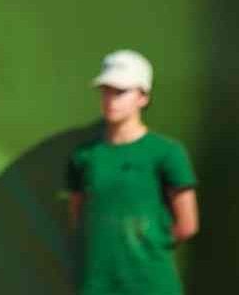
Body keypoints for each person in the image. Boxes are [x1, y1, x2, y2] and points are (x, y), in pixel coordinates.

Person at [65, 50, 198, 295]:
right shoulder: (84, 156)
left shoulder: (168, 152)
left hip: (152, 284)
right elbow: (79, 217)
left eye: (121, 92)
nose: (111, 99)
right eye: (106, 90)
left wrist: (146, 245)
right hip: (96, 284)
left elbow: (187, 225)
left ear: (143, 97)